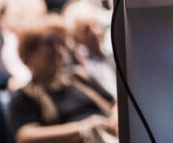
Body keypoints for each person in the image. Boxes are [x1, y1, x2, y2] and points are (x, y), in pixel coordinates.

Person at [7, 15, 117, 143]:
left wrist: (115, 120)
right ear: (29, 52)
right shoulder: (24, 95)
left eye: (60, 43)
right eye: (49, 44)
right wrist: (83, 128)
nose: (57, 50)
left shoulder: (78, 77)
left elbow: (114, 103)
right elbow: (26, 136)